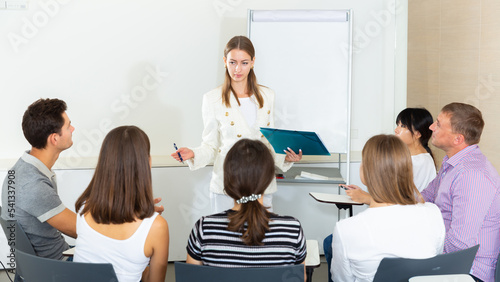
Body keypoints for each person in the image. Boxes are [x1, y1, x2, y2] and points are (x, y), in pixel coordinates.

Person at [171, 35, 302, 213]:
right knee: (224, 238)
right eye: (232, 62)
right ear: (225, 61)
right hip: (227, 184)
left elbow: (268, 144)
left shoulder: (267, 95)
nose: (238, 69)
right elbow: (211, 146)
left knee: (262, 238)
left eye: (244, 63)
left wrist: (286, 158)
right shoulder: (212, 99)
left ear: (253, 62)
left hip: (261, 182)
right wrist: (193, 153)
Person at [330, 135, 445, 282]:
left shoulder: (346, 229)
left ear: (365, 172)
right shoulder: (432, 214)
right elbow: (434, 264)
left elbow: (341, 279)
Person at [185, 139, 306, 277]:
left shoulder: (204, 229)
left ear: (227, 179)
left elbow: (191, 278)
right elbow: (299, 279)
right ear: (268, 179)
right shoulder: (292, 230)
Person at [73, 126, 169, 282]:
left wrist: (138, 206)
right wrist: (147, 219)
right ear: (147, 162)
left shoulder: (84, 207)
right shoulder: (157, 226)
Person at [421, 103, 500, 282]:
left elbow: (460, 245)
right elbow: (424, 197)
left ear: (458, 139)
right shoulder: (452, 164)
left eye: (438, 124)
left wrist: (420, 245)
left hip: (469, 270)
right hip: (449, 260)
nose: (431, 127)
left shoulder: (472, 175)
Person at [1, 98, 76, 260]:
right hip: (58, 266)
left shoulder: (21, 169)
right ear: (54, 139)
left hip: (44, 263)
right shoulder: (34, 184)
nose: (73, 128)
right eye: (68, 126)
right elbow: (79, 231)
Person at [394, 108, 436, 191]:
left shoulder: (418, 161)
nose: (396, 130)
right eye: (397, 125)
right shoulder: (420, 157)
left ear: (417, 134)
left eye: (402, 126)